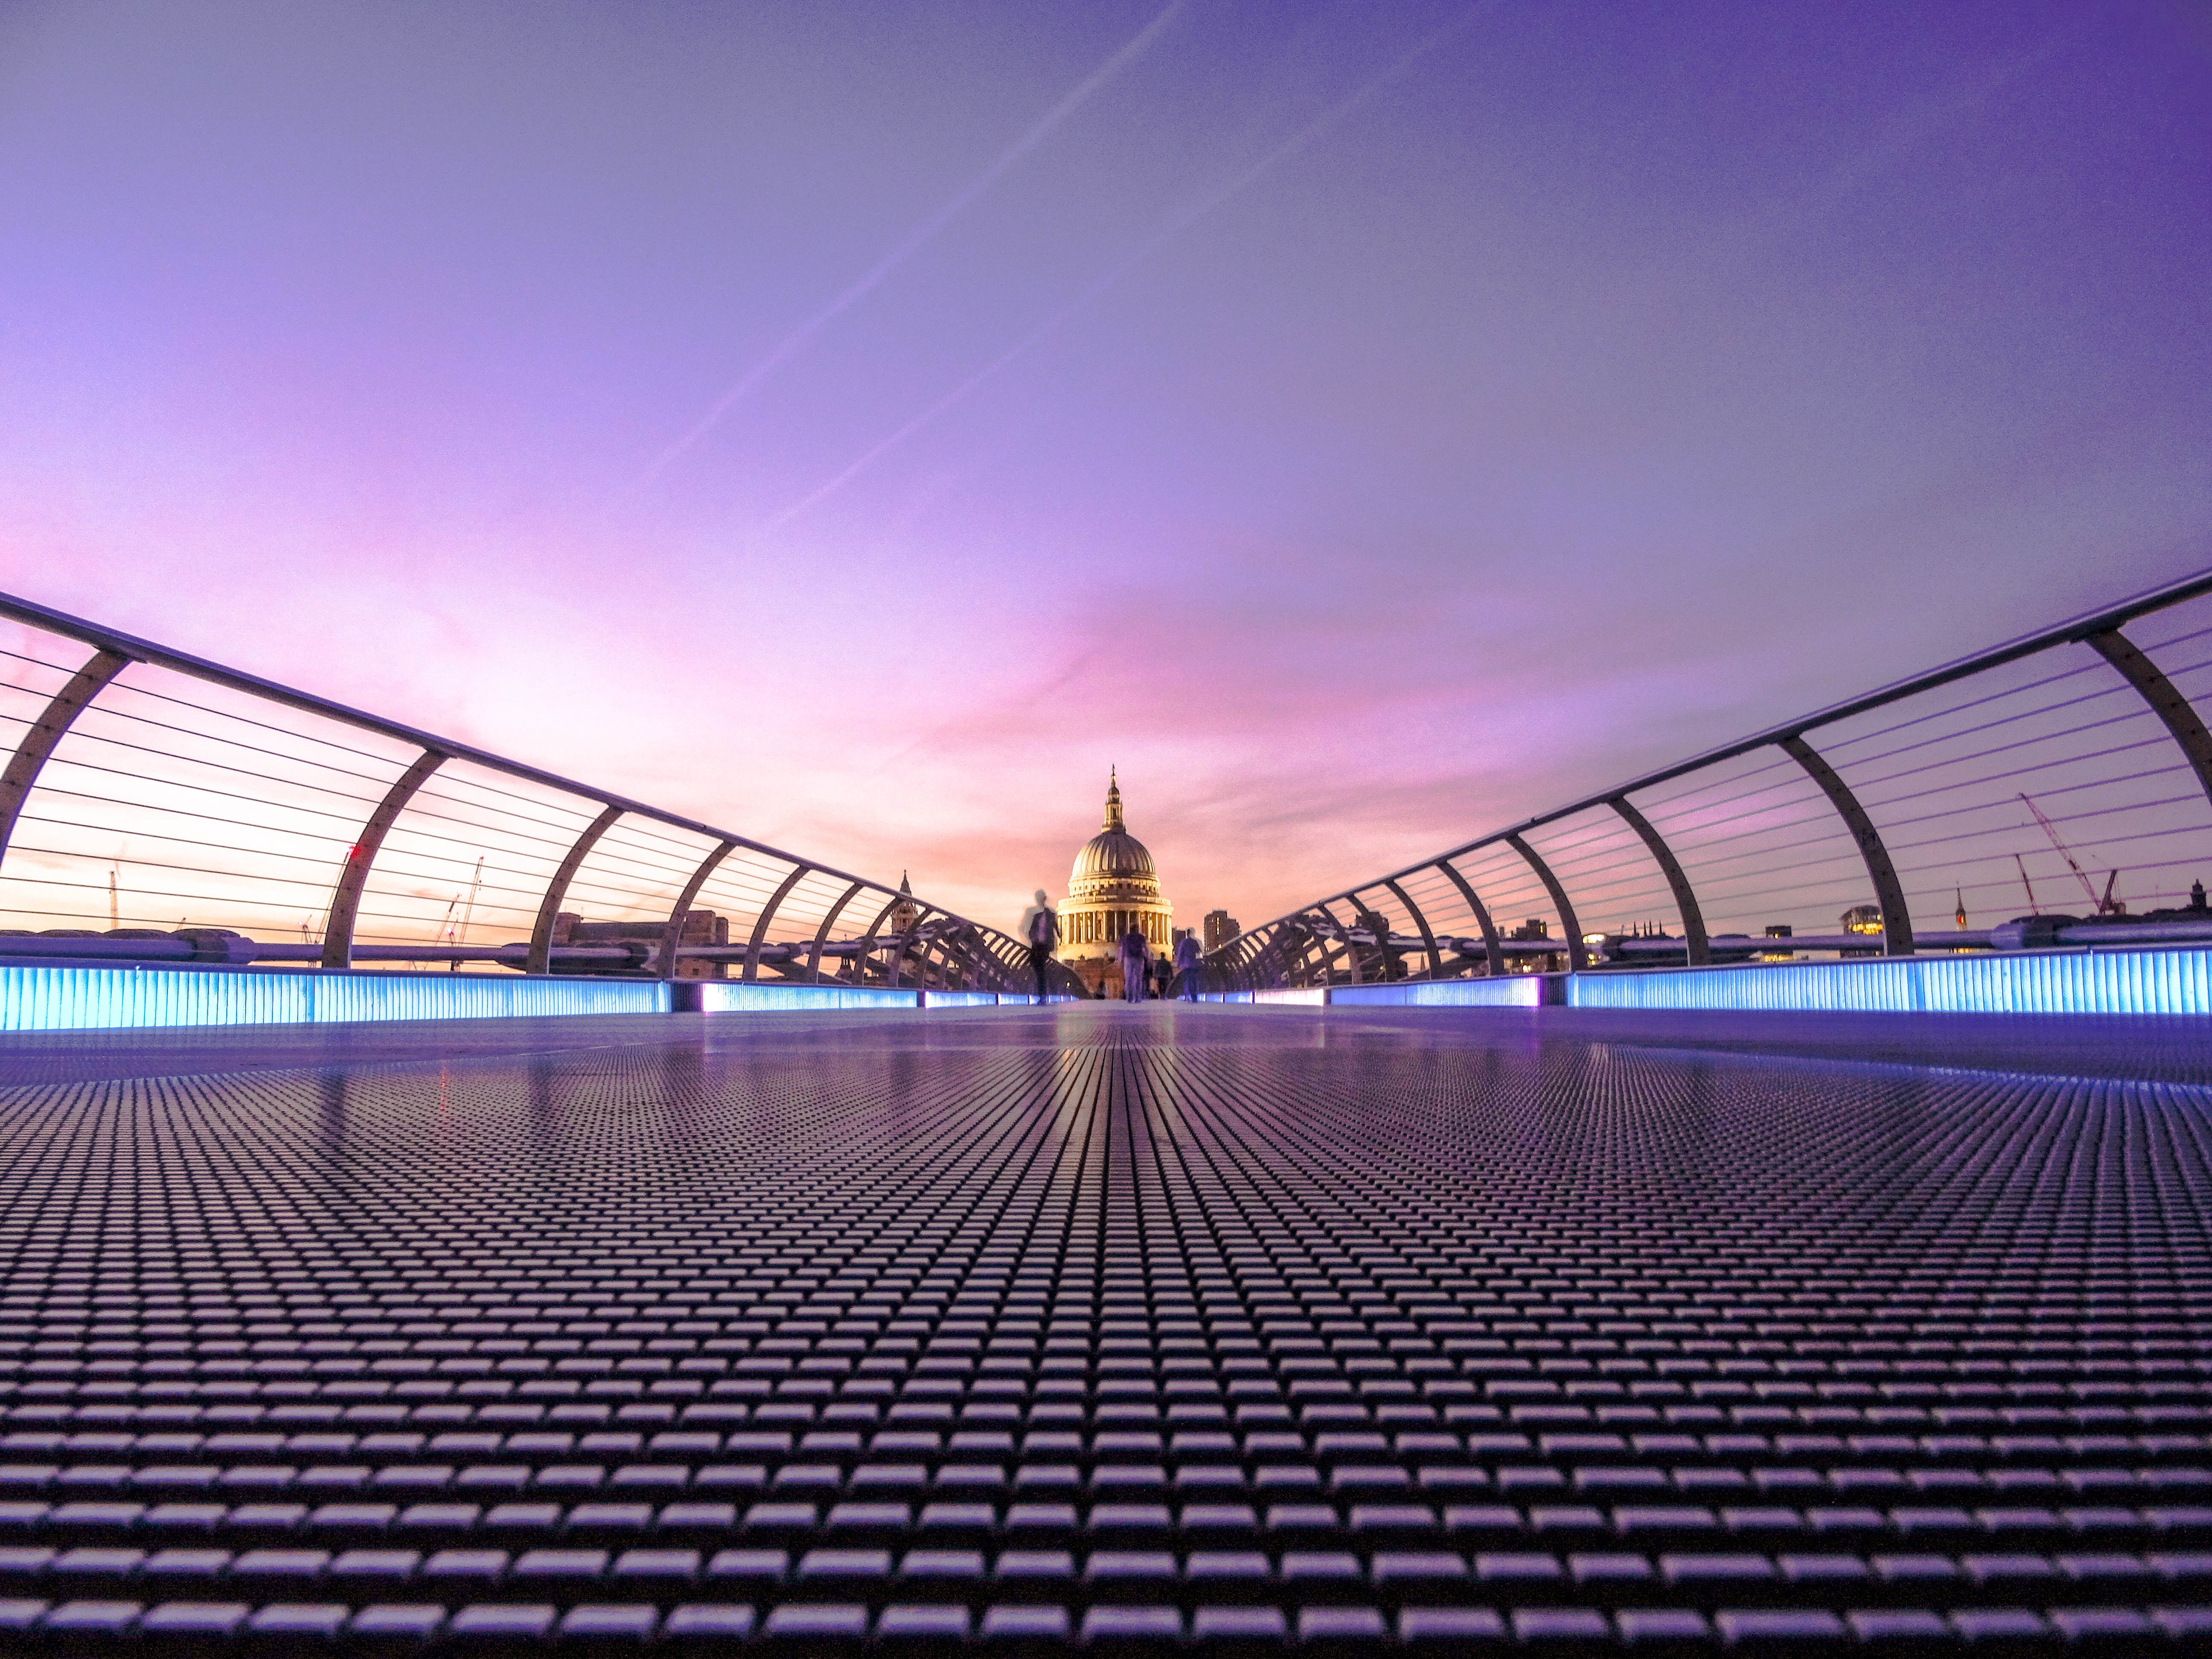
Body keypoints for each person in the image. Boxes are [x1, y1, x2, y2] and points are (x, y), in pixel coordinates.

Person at [1017, 890, 1058, 1002]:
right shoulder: (1033, 912)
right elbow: (1023, 927)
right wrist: (1027, 938)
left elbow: (1056, 930)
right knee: (1038, 968)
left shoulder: (1051, 913)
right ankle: (1042, 992)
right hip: (1036, 945)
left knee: (1040, 969)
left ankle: (1042, 994)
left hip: (1044, 946)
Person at [1118, 923, 1150, 1004]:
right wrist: (1148, 958)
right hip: (1139, 959)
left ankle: (1129, 997)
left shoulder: (1126, 938)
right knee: (1138, 979)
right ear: (1137, 929)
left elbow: (1122, 949)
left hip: (1128, 959)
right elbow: (1144, 949)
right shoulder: (1141, 937)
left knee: (1129, 979)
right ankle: (1137, 997)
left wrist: (1120, 960)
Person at [1173, 931, 1201, 1000]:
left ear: (1187, 934)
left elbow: (1180, 953)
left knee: (1187, 981)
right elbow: (1199, 952)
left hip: (1186, 965)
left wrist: (1179, 963)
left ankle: (1187, 995)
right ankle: (1194, 996)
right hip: (1194, 964)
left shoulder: (1184, 942)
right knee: (1194, 981)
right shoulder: (1195, 942)